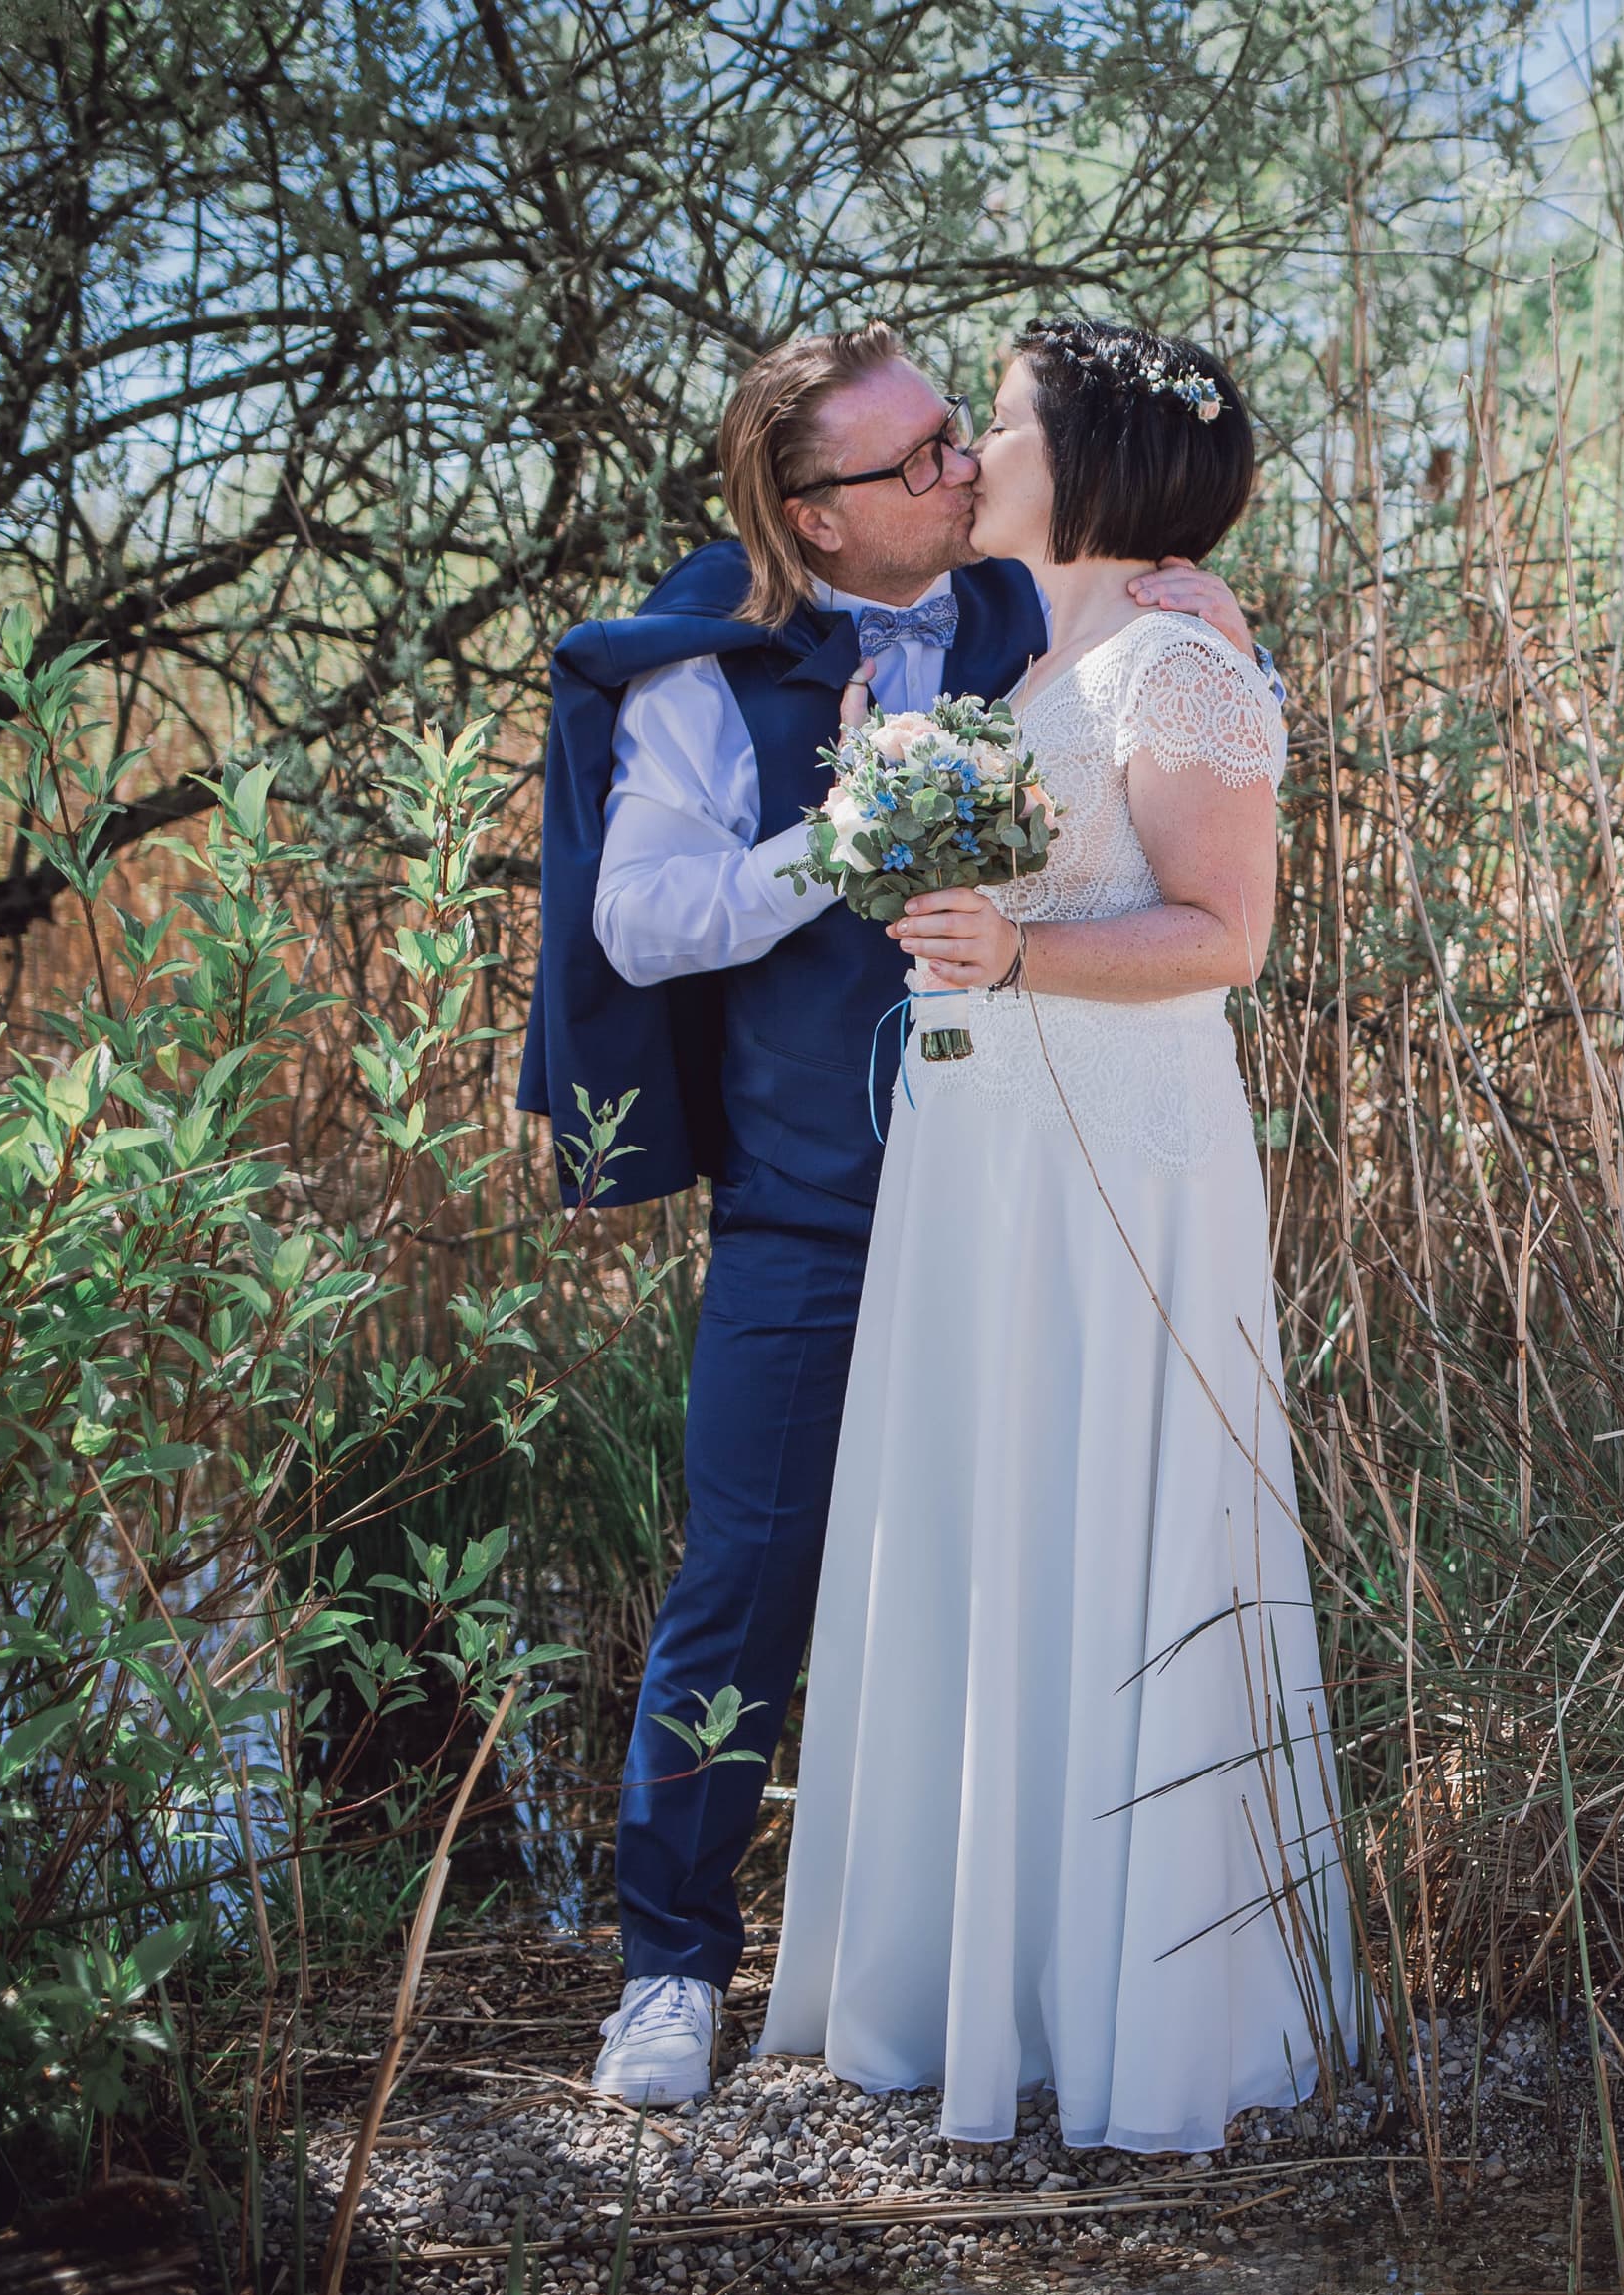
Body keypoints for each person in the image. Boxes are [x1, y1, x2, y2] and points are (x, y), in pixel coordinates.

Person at [516, 325, 1258, 2106]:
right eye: (913, 460)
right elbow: (644, 921)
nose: (958, 470)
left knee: (1005, 1575)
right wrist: (844, 833)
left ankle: (1005, 1973)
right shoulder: (707, 659)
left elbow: (1188, 787)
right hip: (817, 1205)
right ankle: (673, 1975)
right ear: (813, 517)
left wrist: (1213, 607)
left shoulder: (1054, 613)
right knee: (743, 1577)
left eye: (961, 437)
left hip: (1027, 1208)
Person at [753, 320, 1352, 2154]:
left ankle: (1144, 2007)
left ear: (1080, 462)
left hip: (1119, 1172)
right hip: (989, 1163)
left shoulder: (1175, 662)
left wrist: (1014, 954)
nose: (971, 453)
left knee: (1113, 1512)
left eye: (996, 425)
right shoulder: (1066, 654)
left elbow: (1223, 936)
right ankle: (985, 1982)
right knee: (992, 1514)